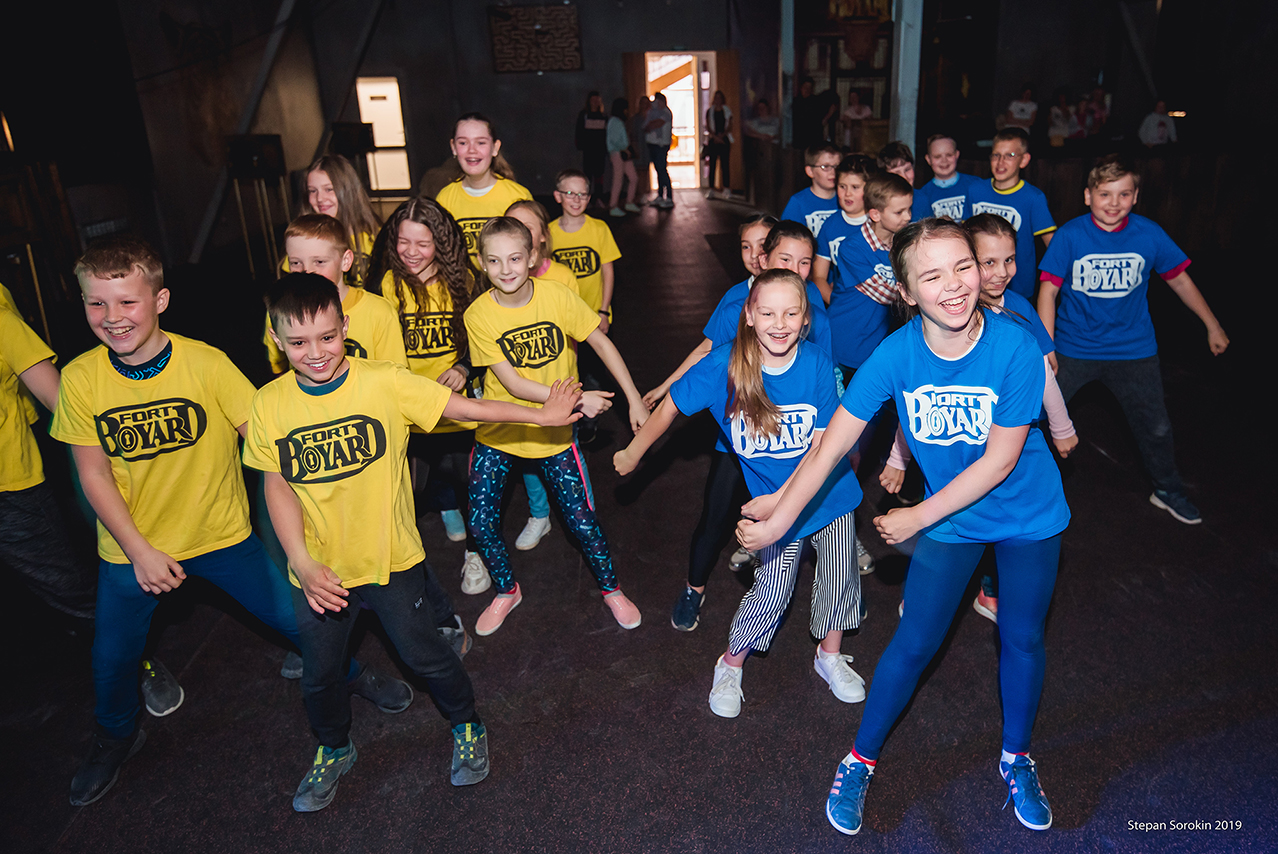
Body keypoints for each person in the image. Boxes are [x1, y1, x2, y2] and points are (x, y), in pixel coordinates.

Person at [740, 218, 1071, 836]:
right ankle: (859, 759)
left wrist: (918, 514)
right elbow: (830, 445)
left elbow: (1000, 461)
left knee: (1023, 637)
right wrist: (780, 518)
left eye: (963, 267)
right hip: (953, 518)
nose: (955, 285)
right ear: (907, 292)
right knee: (915, 643)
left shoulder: (1016, 347)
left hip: (1025, 514)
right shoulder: (895, 355)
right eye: (932, 276)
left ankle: (1018, 757)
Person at [52, 238, 405, 807]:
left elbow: (271, 440)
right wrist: (139, 551)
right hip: (131, 549)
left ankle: (353, 674)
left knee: (301, 619)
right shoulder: (80, 378)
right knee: (112, 658)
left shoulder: (207, 364)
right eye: (97, 303)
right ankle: (114, 738)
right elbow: (91, 474)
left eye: (127, 302)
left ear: (160, 300)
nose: (112, 317)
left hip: (222, 537)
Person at [245, 272, 582, 812]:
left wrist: (541, 417)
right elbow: (276, 485)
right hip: (320, 574)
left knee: (425, 656)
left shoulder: (384, 382)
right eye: (299, 342)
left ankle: (466, 723)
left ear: (345, 327)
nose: (316, 352)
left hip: (393, 561)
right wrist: (302, 563)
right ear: (275, 338)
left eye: (327, 337)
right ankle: (334, 747)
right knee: (320, 676)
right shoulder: (268, 403)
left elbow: (467, 409)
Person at [618, 269, 865, 716]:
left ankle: (829, 655)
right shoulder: (724, 366)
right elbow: (671, 406)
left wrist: (779, 501)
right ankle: (731, 663)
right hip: (771, 501)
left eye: (791, 313)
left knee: (838, 576)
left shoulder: (816, 364)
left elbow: (823, 448)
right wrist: (634, 452)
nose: (780, 324)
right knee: (773, 587)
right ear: (748, 315)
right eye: (768, 313)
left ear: (806, 318)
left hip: (828, 494)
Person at [641, 219, 838, 632]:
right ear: (766, 260)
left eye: (805, 262)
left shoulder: (812, 309)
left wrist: (838, 436)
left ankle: (838, 581)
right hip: (741, 437)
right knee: (716, 514)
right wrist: (665, 386)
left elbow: (826, 372)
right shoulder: (736, 303)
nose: (796, 270)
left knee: (823, 506)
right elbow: (705, 354)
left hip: (795, 436)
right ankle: (694, 587)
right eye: (785, 259)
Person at [883, 213, 1079, 623]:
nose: (1001, 272)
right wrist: (899, 456)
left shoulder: (1019, 312)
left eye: (1010, 260)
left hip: (1000, 446)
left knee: (1003, 527)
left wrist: (1062, 427)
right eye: (988, 262)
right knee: (942, 528)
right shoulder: (938, 317)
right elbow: (916, 400)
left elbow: (1045, 373)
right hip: (949, 453)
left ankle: (989, 590)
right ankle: (923, 597)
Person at [464, 217, 648, 634]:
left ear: (533, 257)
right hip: (501, 430)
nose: (506, 269)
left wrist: (634, 397)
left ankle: (611, 589)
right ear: (481, 263)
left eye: (515, 258)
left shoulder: (557, 296)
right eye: (495, 260)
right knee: (480, 523)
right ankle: (507, 590)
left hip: (554, 434)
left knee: (582, 520)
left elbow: (600, 341)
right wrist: (579, 399)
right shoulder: (478, 315)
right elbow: (512, 383)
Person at [1037, 155, 1228, 524]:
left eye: (1123, 194)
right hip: (1075, 348)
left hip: (1133, 350)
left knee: (1156, 427)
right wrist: (1046, 347)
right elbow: (1048, 291)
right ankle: (1008, 486)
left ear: (1136, 196)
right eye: (1104, 194)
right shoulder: (1070, 236)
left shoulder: (1149, 234)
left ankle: (1167, 490)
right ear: (1087, 196)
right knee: (1035, 415)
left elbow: (1180, 280)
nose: (1114, 203)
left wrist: (1212, 325)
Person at [375, 197, 491, 597]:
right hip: (410, 413)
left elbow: (485, 340)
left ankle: (476, 553)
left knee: (470, 485)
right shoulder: (389, 284)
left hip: (456, 411)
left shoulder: (467, 281)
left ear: (441, 244)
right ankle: (405, 575)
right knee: (408, 494)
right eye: (403, 241)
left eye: (422, 243)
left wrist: (463, 367)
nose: (411, 252)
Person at [506, 199, 592, 556]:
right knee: (528, 455)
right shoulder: (501, 278)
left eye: (527, 227)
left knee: (566, 453)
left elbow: (577, 333)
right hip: (518, 388)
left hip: (557, 386)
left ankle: (584, 517)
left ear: (542, 236)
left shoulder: (562, 277)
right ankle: (539, 514)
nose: (518, 234)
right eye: (510, 225)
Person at [264, 215, 406, 376]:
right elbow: (280, 371)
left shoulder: (379, 312)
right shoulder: (282, 310)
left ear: (345, 261)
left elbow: (396, 376)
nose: (307, 271)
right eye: (296, 263)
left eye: (319, 262)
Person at [968, 127, 1056, 300]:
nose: (1000, 162)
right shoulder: (975, 190)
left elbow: (1053, 245)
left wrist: (1053, 284)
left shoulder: (1033, 198)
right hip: (979, 283)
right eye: (996, 155)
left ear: (1024, 160)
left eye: (1010, 155)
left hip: (1019, 286)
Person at [436, 113, 533, 267]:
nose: (472, 150)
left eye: (481, 142)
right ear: (453, 148)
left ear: (495, 148)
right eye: (463, 143)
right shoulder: (444, 199)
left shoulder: (518, 196)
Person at [290, 155, 381, 290]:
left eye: (329, 189)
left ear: (348, 191)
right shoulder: (301, 239)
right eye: (312, 191)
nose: (320, 198)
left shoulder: (375, 236)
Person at [812, 154, 878, 304]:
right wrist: (838, 304)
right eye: (842, 186)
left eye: (855, 187)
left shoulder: (879, 223)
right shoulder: (830, 225)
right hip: (842, 303)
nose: (847, 194)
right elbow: (819, 277)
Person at [913, 134, 979, 222]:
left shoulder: (976, 184)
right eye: (937, 156)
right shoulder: (924, 195)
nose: (944, 161)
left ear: (957, 155)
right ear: (928, 159)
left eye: (949, 155)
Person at [781, 143, 842, 238]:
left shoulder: (846, 198)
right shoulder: (798, 203)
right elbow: (787, 237)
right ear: (810, 171)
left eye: (837, 167)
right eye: (825, 167)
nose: (833, 172)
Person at [606, 97, 641, 215]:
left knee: (633, 178)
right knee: (619, 179)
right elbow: (615, 140)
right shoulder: (615, 121)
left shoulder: (616, 121)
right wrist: (625, 148)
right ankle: (613, 206)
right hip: (618, 153)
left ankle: (629, 202)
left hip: (622, 153)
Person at [575, 91, 609, 201]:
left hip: (600, 151)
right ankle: (587, 199)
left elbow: (606, 134)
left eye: (597, 100)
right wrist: (581, 145)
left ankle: (598, 198)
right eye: (593, 100)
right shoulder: (584, 115)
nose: (595, 102)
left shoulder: (603, 116)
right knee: (587, 176)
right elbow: (579, 132)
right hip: (588, 150)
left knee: (599, 175)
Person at [644, 93, 675, 209]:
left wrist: (650, 124)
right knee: (659, 170)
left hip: (661, 145)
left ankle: (669, 197)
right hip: (655, 145)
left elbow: (656, 124)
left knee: (662, 171)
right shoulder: (654, 112)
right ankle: (661, 195)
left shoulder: (666, 113)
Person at [704, 90, 733, 199]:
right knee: (712, 165)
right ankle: (711, 189)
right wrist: (715, 137)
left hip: (724, 139)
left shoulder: (727, 111)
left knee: (725, 165)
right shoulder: (710, 111)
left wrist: (722, 136)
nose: (718, 100)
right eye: (716, 98)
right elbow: (708, 126)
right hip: (713, 140)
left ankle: (726, 188)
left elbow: (730, 125)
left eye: (719, 98)